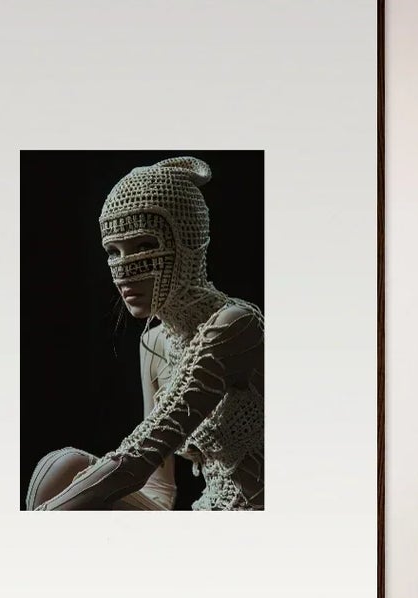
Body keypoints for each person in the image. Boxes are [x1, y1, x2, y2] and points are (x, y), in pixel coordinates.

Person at [27, 156, 264, 512]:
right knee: (63, 468)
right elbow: (157, 482)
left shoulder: (235, 324)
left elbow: (143, 452)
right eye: (113, 251)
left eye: (143, 247)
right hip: (203, 512)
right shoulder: (153, 343)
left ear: (187, 243)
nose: (123, 270)